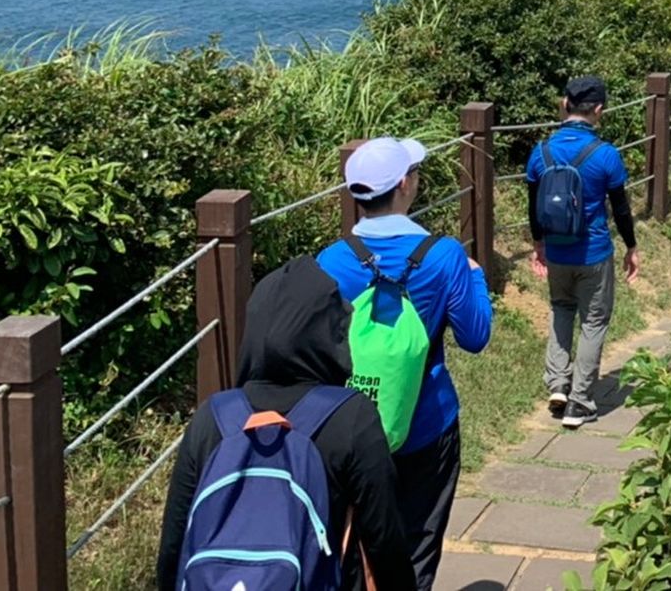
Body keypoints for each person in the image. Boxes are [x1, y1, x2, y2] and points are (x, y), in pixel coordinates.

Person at [156, 256, 418, 591]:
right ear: (331, 331)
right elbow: (386, 539)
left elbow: (174, 545)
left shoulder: (214, 417)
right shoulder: (352, 417)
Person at [316, 138, 492, 591]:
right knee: (417, 544)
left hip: (351, 426)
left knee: (352, 542)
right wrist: (475, 275)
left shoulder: (331, 260)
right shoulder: (444, 255)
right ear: (404, 184)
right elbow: (475, 337)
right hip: (427, 424)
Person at [525, 75, 640, 430]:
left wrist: (539, 244)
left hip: (557, 251)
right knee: (593, 321)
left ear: (565, 105)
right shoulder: (605, 155)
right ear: (599, 110)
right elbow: (621, 209)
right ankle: (580, 401)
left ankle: (558, 384)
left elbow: (533, 206)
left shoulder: (541, 152)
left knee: (561, 309)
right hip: (593, 253)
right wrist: (631, 247)